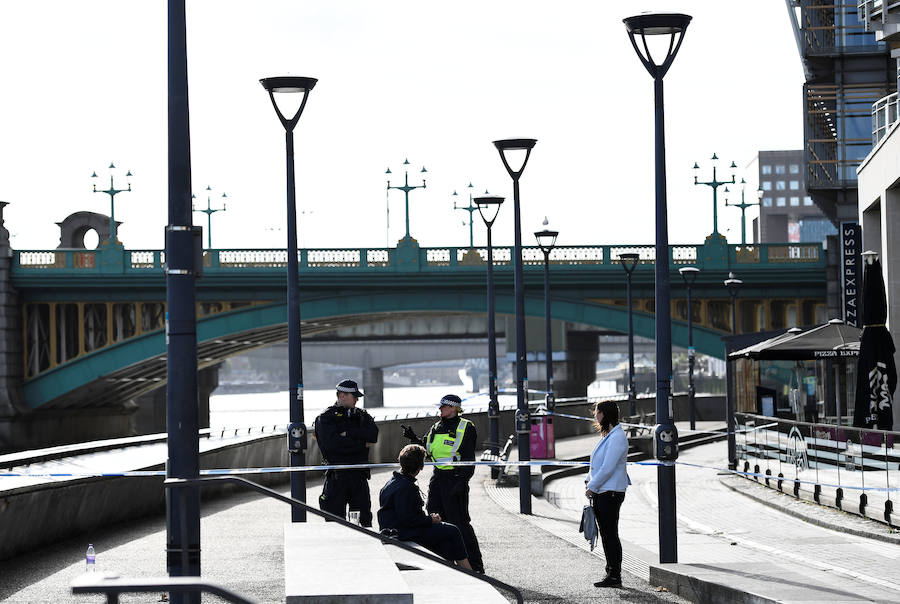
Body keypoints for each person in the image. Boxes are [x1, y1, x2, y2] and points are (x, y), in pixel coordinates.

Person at [401, 393, 484, 573]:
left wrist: (462, 482)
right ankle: (444, 561)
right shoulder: (436, 427)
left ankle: (475, 566)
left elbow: (469, 459)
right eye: (440, 406)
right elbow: (428, 450)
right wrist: (414, 439)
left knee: (460, 524)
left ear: (454, 408)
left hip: (455, 479)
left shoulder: (466, 427)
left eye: (444, 406)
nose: (440, 409)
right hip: (438, 479)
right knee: (435, 520)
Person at [378, 444, 472, 570]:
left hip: (392, 529)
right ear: (420, 467)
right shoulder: (407, 488)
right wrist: (431, 520)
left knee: (446, 541)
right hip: (402, 532)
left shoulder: (392, 482)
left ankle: (453, 569)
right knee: (453, 531)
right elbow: (408, 519)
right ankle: (468, 570)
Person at [313, 379, 379, 526]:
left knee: (363, 523)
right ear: (342, 395)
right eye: (353, 396)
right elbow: (333, 446)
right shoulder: (326, 418)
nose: (356, 399)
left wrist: (347, 433)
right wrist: (362, 443)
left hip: (358, 477)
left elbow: (373, 436)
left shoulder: (361, 415)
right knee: (335, 523)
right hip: (337, 477)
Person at [584, 400, 631, 588]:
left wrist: (592, 486)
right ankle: (611, 572)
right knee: (607, 533)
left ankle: (614, 575)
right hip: (604, 491)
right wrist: (590, 481)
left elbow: (608, 467)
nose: (595, 415)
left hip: (610, 492)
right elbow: (597, 465)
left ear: (604, 414)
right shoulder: (610, 435)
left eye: (597, 412)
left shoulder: (617, 437)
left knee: (610, 533)